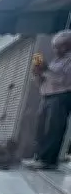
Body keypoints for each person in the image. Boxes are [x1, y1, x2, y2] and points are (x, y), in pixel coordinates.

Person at [27, 30, 71, 169]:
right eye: (55, 46)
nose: (56, 50)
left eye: (60, 46)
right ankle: (39, 156)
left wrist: (46, 70)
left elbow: (64, 80)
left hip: (61, 96)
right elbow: (43, 83)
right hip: (46, 96)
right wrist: (38, 74)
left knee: (53, 128)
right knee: (41, 127)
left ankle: (48, 160)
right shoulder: (55, 61)